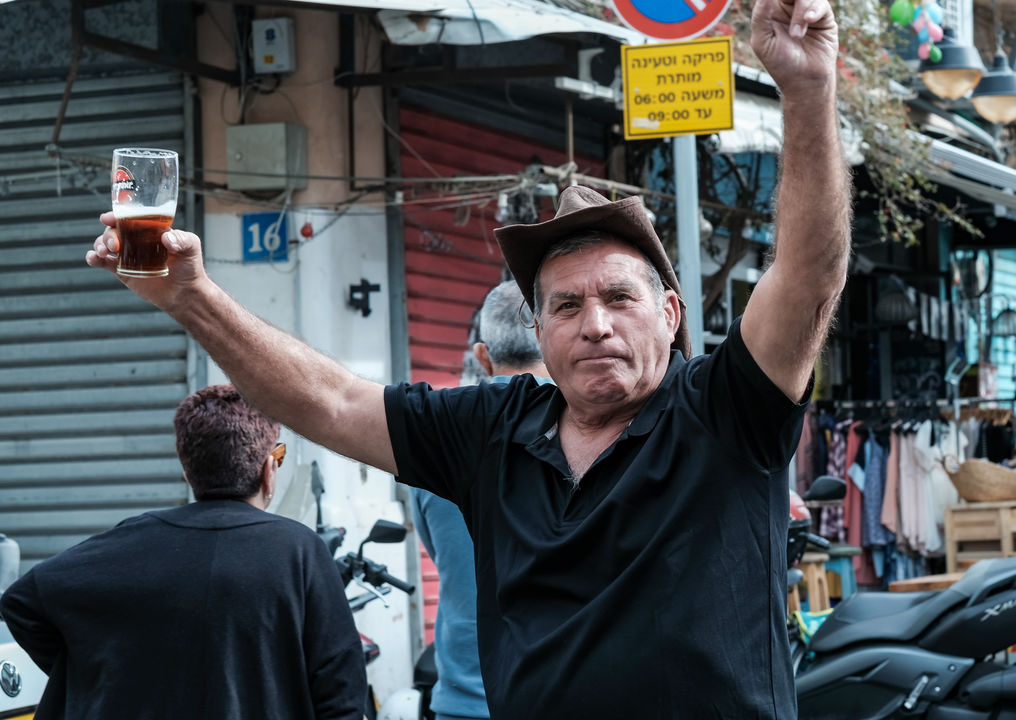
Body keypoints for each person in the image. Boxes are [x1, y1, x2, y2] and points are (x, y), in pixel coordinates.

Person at [83, 0, 849, 713]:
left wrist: (809, 92)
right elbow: (331, 402)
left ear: (671, 314)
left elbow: (810, 275)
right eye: (567, 305)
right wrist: (189, 296)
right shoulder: (496, 428)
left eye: (619, 299)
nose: (595, 325)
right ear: (538, 333)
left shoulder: (722, 411)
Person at [0, 385, 367, 719]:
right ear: (268, 469)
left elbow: (21, 602)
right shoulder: (300, 551)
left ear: (187, 471)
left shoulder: (125, 543)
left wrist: (100, 676)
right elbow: (342, 693)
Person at [412, 280, 548, 720]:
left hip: (463, 696)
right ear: (552, 340)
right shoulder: (589, 433)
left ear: (483, 356)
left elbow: (443, 551)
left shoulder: (436, 438)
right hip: (553, 693)